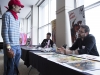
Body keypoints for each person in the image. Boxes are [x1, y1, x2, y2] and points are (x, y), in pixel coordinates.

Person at [1, 0, 24, 75]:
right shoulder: (7, 15)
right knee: (9, 67)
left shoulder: (17, 18)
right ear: (13, 6)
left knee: (15, 67)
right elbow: (4, 32)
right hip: (10, 46)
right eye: (19, 6)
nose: (20, 8)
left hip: (17, 46)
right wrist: (8, 48)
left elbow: (17, 31)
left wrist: (19, 38)